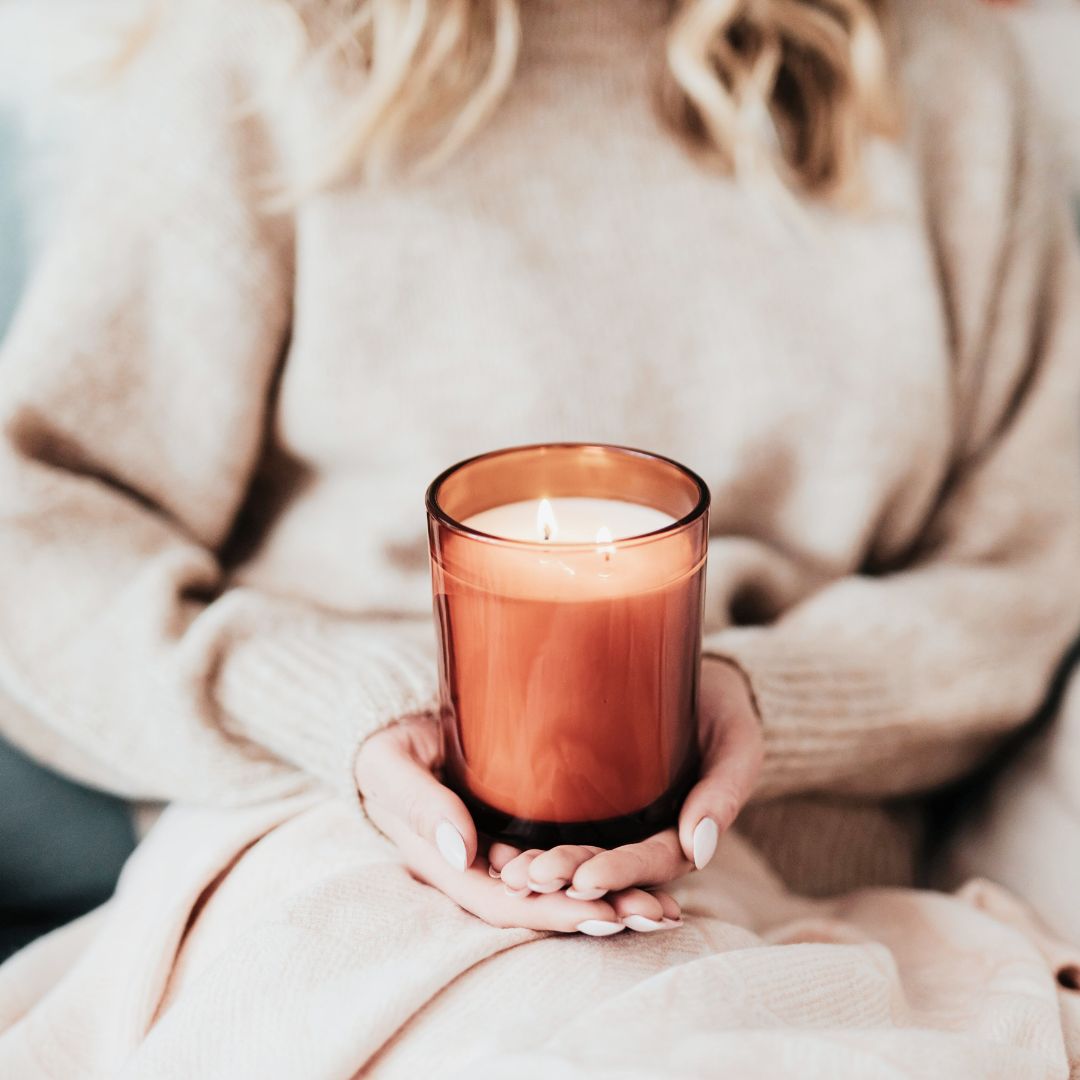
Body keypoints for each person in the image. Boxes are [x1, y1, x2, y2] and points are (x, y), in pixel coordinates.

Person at [0, 0, 1078, 1074]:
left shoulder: (938, 81)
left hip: (807, 901)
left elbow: (1026, 572)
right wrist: (350, 710)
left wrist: (765, 696)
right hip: (355, 843)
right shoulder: (266, 57)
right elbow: (35, 537)